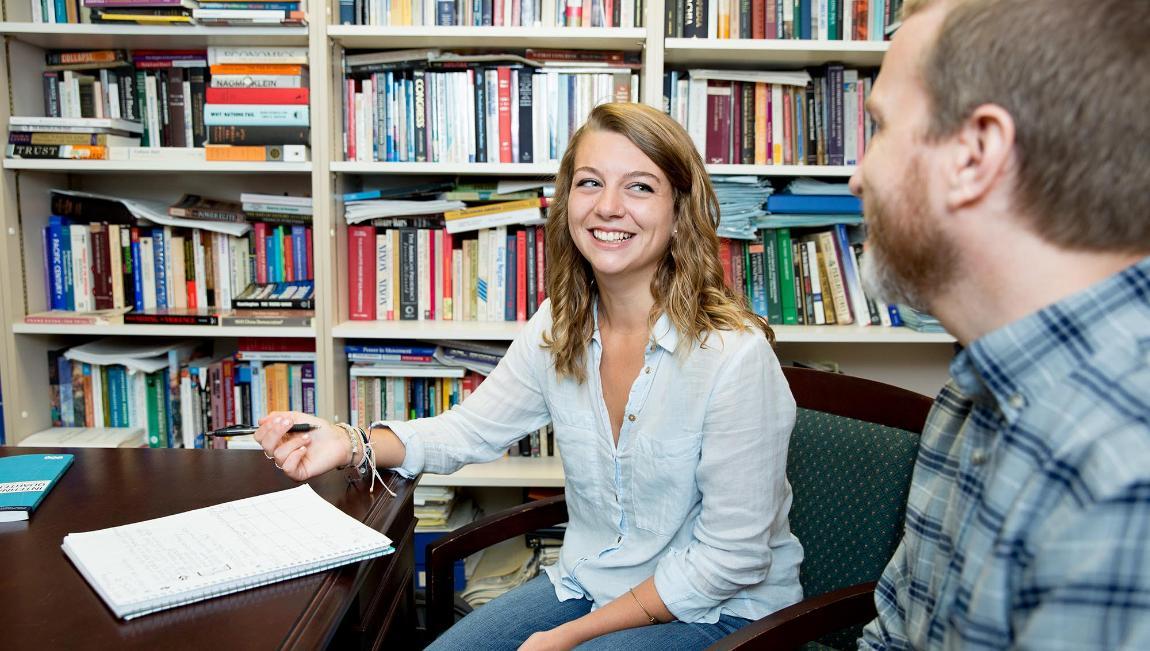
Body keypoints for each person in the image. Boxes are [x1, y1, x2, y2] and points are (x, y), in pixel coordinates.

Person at [255, 102, 803, 650]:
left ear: (681, 211)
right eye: (591, 183)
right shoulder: (558, 324)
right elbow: (469, 430)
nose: (608, 207)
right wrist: (350, 442)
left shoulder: (733, 356)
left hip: (723, 612)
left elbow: (729, 561)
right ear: (568, 203)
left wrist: (568, 637)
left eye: (639, 187)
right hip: (592, 584)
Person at [851, 0, 1150, 648]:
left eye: (878, 127)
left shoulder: (1126, 475)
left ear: (974, 154)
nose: (857, 175)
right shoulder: (971, 390)